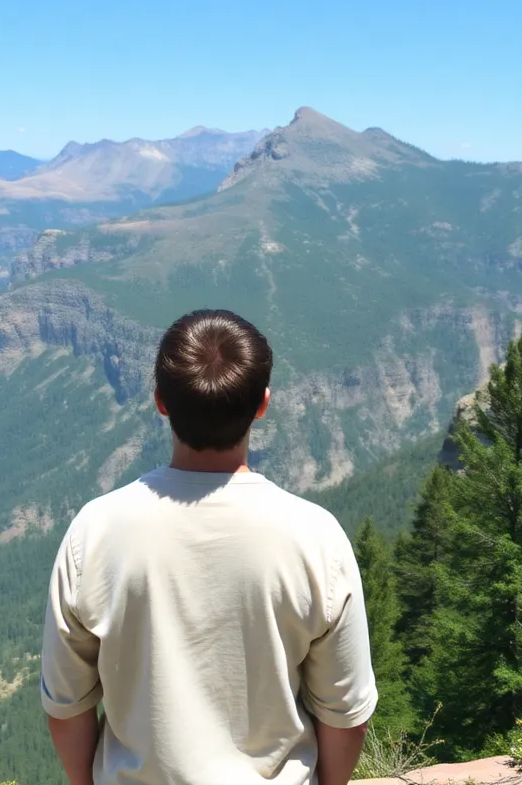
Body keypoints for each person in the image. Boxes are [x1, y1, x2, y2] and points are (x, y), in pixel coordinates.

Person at [41, 309, 377, 785]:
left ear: (160, 402)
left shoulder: (94, 532)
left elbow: (65, 705)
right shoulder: (317, 537)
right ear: (263, 404)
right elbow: (348, 715)